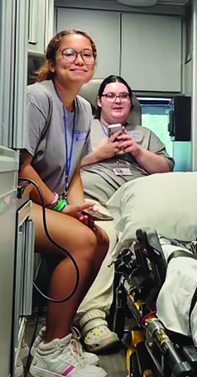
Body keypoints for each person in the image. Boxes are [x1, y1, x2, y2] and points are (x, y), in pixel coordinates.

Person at [20, 29, 109, 377]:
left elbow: (73, 173)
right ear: (53, 62)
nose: (79, 60)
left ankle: (59, 333)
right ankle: (49, 351)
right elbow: (22, 168)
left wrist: (79, 207)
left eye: (86, 54)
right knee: (82, 241)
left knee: (100, 238)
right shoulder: (37, 98)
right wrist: (59, 207)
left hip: (50, 203)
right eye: (70, 53)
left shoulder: (84, 109)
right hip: (21, 201)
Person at [74, 75, 174, 351]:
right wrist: (99, 152)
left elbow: (166, 169)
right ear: (99, 101)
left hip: (138, 203)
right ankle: (92, 319)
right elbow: (61, 164)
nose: (117, 100)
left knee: (163, 239)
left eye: (123, 96)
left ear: (130, 103)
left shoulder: (144, 134)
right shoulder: (82, 126)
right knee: (106, 235)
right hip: (96, 201)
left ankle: (170, 311)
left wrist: (137, 151)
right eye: (111, 95)